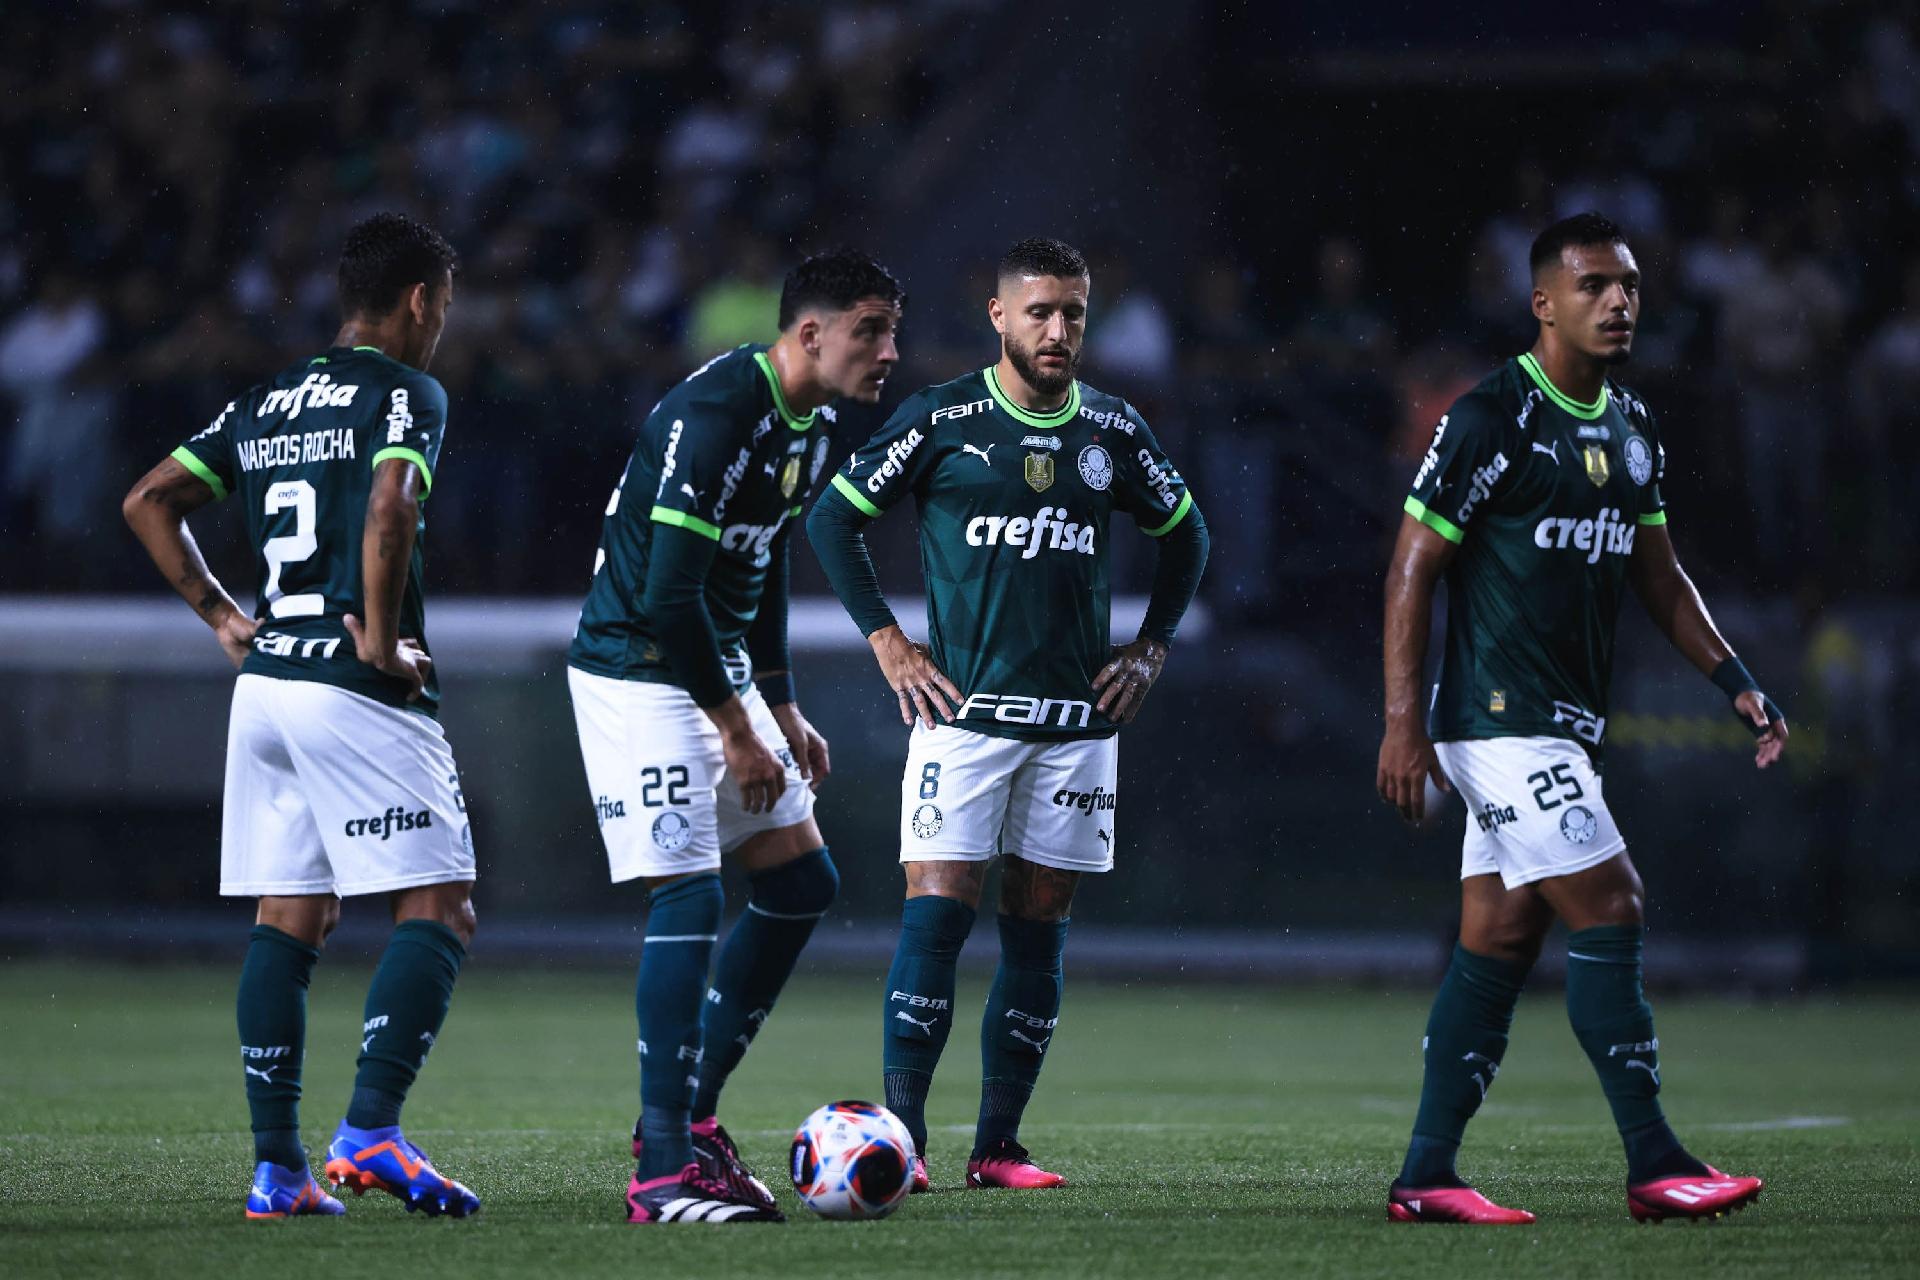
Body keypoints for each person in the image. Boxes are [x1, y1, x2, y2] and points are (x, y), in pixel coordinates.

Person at [1375, 213, 1786, 1225]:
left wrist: (1734, 674)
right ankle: (1656, 1160)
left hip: (1562, 724)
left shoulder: (1630, 425)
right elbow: (1412, 565)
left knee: (1502, 938)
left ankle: (1427, 1174)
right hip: (1497, 718)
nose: (1619, 302)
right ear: (1543, 301)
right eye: (1595, 284)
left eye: (1631, 286)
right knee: (1612, 902)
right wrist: (1401, 721)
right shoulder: (1491, 416)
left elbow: (1663, 576)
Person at [807, 237, 1210, 1192]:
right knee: (936, 917)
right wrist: (889, 643)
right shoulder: (942, 418)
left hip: (1076, 725)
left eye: (1073, 311)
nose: (1059, 329)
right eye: (1040, 312)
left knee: (1040, 930)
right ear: (999, 317)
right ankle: (901, 1146)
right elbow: (833, 518)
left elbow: (1186, 535)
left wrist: (1150, 647)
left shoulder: (1112, 428)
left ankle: (999, 1147)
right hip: (966, 715)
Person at [121, 212, 480, 1219]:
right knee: (439, 906)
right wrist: (376, 639)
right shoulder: (408, 392)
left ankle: (277, 1171)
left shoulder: (270, 397)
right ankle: (370, 1129)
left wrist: (225, 619)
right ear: (418, 300)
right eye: (442, 308)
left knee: (290, 917)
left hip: (269, 679)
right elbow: (390, 507)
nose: (442, 327)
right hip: (353, 685)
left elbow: (148, 498)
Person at [567, 249, 904, 1224]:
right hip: (638, 665)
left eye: (891, 331)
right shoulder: (717, 413)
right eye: (870, 330)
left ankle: (693, 1117)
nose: (890, 351)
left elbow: (756, 566)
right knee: (690, 888)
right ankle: (660, 1169)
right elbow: (669, 596)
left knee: (804, 882)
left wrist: (783, 707)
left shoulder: (815, 424)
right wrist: (737, 730)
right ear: (809, 333)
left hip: (708, 663)